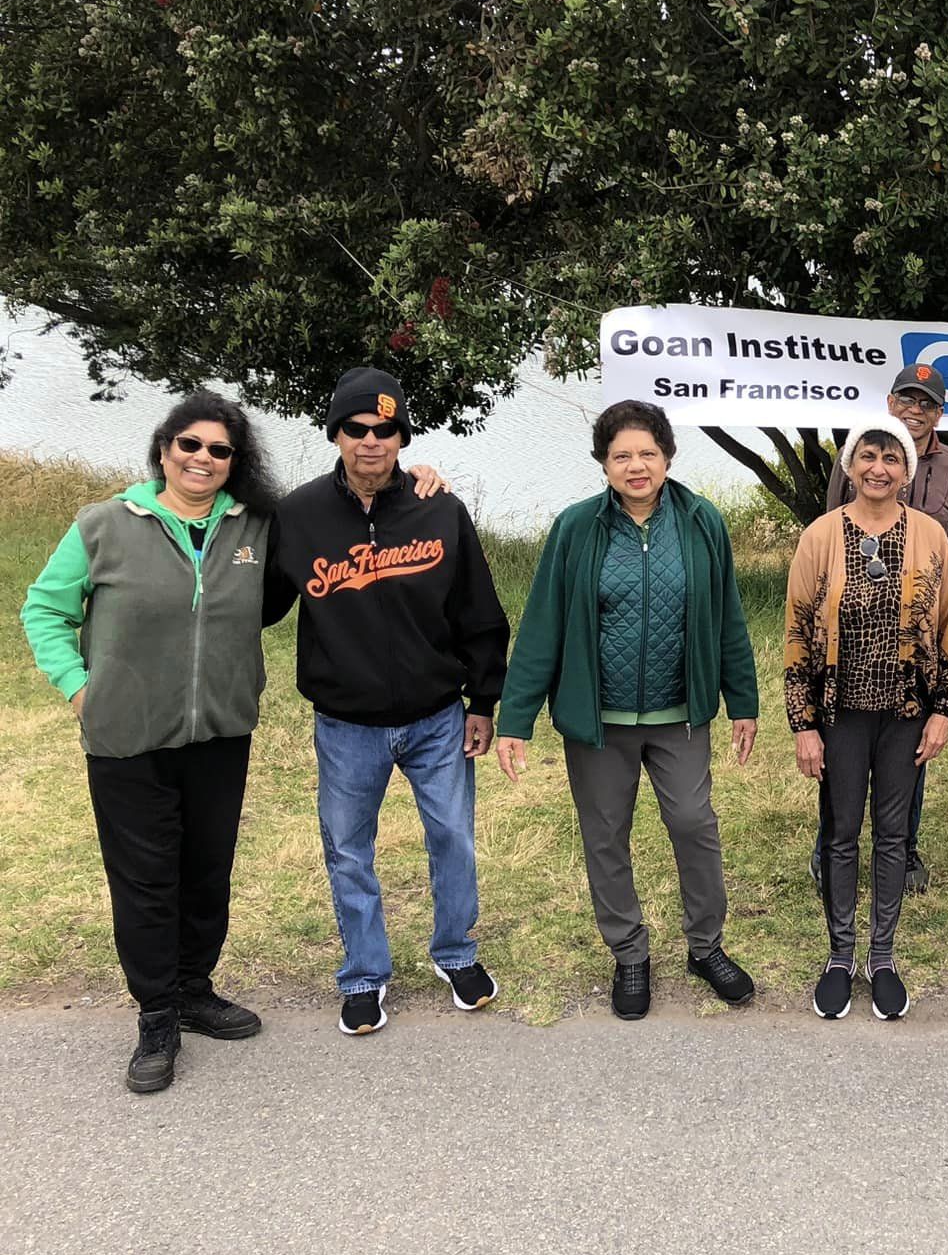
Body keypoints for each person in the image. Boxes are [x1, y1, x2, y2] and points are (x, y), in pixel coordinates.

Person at [21, 391, 279, 1093]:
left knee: (207, 873)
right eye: (189, 444)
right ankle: (157, 1015)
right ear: (164, 449)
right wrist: (81, 689)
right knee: (145, 882)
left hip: (220, 733)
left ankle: (194, 989)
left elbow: (337, 514)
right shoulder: (105, 523)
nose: (203, 458)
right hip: (127, 738)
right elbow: (44, 609)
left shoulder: (256, 526)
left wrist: (416, 477)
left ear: (235, 462)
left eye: (219, 450)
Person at [495, 399, 760, 1021]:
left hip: (680, 715)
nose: (636, 466)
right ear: (603, 463)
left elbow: (727, 616)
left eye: (648, 453)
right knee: (605, 835)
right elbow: (542, 625)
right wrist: (515, 719)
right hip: (599, 721)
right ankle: (629, 954)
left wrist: (742, 702)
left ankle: (706, 947)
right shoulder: (575, 527)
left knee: (694, 824)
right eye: (622, 456)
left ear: (667, 457)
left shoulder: (702, 521)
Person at [265, 367, 510, 1036]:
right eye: (356, 429)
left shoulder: (440, 508)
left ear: (402, 437)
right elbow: (259, 603)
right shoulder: (299, 514)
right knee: (349, 851)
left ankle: (456, 954)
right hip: (347, 723)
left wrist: (484, 700)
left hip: (437, 717)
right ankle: (364, 975)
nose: (371, 441)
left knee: (453, 839)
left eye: (386, 429)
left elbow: (478, 611)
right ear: (336, 435)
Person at [786, 418, 948, 1020]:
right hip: (839, 715)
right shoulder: (820, 536)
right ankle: (840, 957)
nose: (879, 468)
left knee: (892, 836)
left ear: (907, 469)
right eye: (868, 456)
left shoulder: (931, 537)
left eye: (892, 457)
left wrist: (943, 711)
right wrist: (803, 723)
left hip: (907, 712)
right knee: (839, 835)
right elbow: (797, 634)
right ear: (850, 465)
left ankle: (881, 957)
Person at [814, 363, 948, 895]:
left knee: (911, 750)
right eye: (907, 399)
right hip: (855, 632)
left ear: (939, 413)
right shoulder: (860, 454)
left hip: (917, 637)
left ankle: (903, 850)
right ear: (889, 402)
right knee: (842, 754)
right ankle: (830, 846)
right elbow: (834, 528)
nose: (915, 410)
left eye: (926, 403)